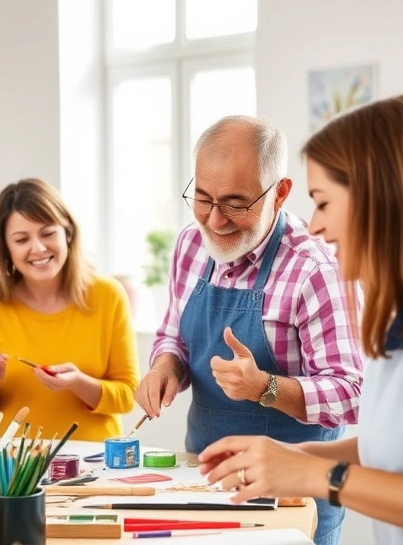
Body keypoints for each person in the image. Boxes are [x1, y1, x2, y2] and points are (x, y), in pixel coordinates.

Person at [200, 95, 403, 544]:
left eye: (324, 203)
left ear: (383, 200)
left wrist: (320, 476)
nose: (315, 226)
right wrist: (290, 457)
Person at [133, 116, 363, 545]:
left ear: (280, 192)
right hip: (202, 481)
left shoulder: (315, 269)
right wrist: (165, 366)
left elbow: (351, 392)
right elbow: (173, 336)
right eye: (203, 198)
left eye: (235, 204)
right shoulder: (190, 245)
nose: (214, 220)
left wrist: (265, 388)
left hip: (294, 495)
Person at [0, 178, 140, 441]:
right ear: (6, 248)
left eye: (48, 233)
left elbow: (128, 396)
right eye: (21, 239)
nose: (38, 248)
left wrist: (77, 382)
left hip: (93, 459)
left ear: (68, 233)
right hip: (15, 460)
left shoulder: (109, 296)